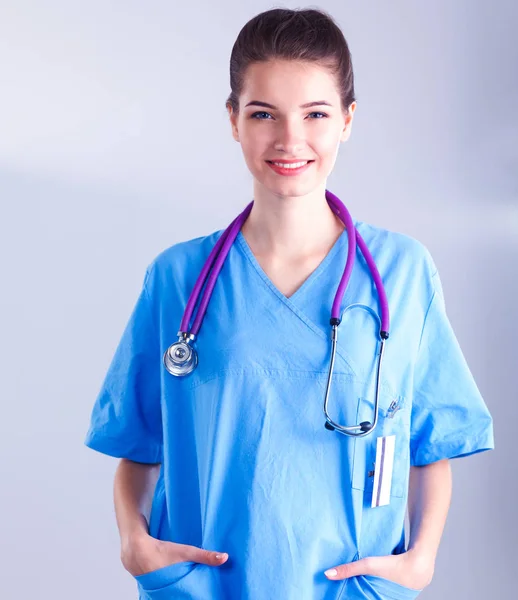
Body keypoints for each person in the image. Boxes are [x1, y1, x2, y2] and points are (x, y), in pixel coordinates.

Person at [84, 7, 494, 600]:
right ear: (233, 120)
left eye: (316, 114)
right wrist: (134, 542)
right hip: (206, 588)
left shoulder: (402, 273)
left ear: (348, 120)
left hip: (352, 590)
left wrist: (422, 558)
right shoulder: (179, 277)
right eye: (263, 114)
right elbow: (137, 441)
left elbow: (432, 443)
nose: (289, 140)